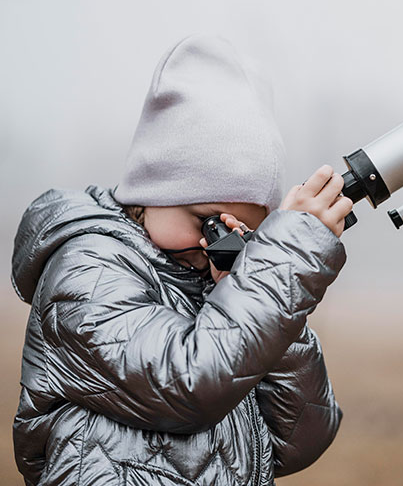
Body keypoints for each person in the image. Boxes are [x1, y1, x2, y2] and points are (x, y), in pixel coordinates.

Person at [11, 35, 353, 486]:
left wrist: (257, 284)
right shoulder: (87, 271)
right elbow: (189, 380)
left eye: (241, 233)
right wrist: (278, 267)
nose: (218, 245)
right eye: (209, 223)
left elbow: (302, 436)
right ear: (155, 191)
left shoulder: (230, 294)